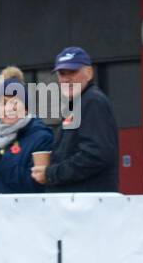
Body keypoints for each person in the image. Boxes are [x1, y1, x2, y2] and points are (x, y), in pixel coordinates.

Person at [31, 46, 119, 192]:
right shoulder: (76, 104)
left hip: (87, 204)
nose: (66, 79)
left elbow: (95, 156)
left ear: (89, 73)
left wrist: (51, 173)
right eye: (61, 74)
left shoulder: (92, 101)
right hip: (75, 204)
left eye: (72, 72)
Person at [0, 67, 55, 194]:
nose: (9, 109)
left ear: (25, 108)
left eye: (14, 102)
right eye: (3, 103)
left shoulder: (41, 138)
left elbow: (35, 187)